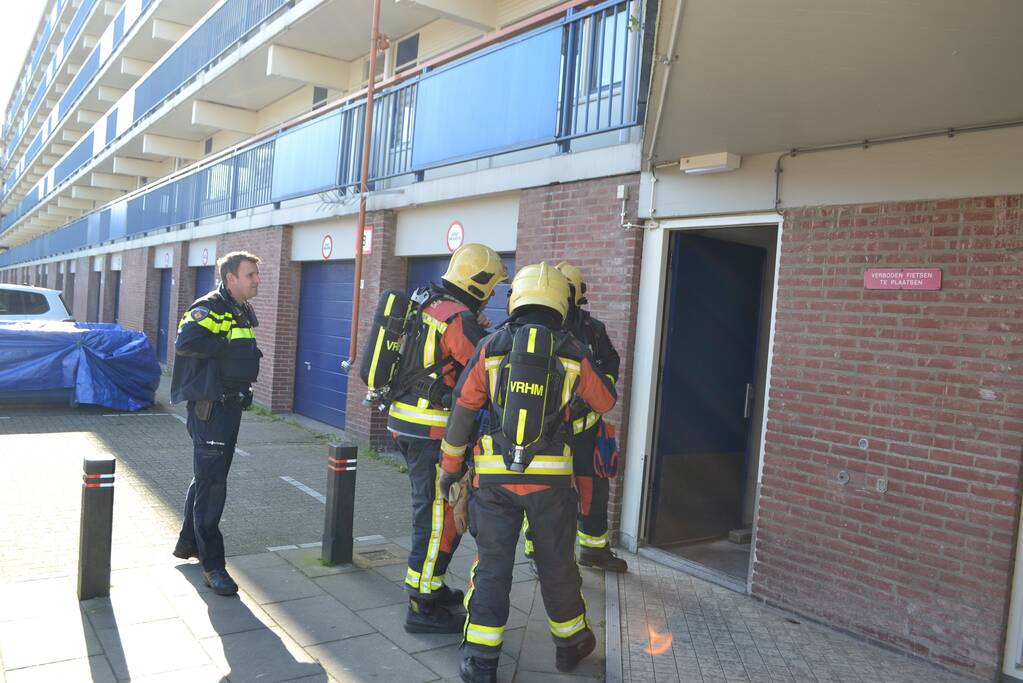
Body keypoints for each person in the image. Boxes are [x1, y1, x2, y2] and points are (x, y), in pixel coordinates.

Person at [438, 263, 616, 682]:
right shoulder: (572, 349)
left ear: (516, 298)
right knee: (556, 563)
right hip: (551, 483)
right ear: (560, 301)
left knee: (492, 567)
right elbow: (605, 401)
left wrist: (449, 469)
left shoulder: (493, 345)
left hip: (493, 482)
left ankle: (481, 662)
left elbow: (463, 409)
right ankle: (571, 643)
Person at [387, 243, 507, 633]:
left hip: (407, 423)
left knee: (432, 513)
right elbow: (481, 374)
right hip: (432, 430)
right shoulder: (458, 318)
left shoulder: (429, 303)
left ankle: (430, 588)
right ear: (478, 283)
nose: (492, 296)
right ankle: (421, 607)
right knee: (439, 519)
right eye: (491, 288)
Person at [521, 262, 628, 573]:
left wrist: (600, 386)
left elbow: (610, 361)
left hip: (588, 429)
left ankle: (594, 550)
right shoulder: (539, 328)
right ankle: (538, 551)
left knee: (593, 492)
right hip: (551, 431)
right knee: (545, 493)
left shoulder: (593, 329)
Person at [170, 251, 263, 596]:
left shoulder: (241, 309)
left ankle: (186, 542)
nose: (257, 280)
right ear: (231, 279)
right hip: (211, 409)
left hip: (229, 408)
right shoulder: (210, 308)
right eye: (250, 274)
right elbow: (186, 342)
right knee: (212, 487)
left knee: (208, 479)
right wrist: (225, 346)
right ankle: (213, 566)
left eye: (256, 274)